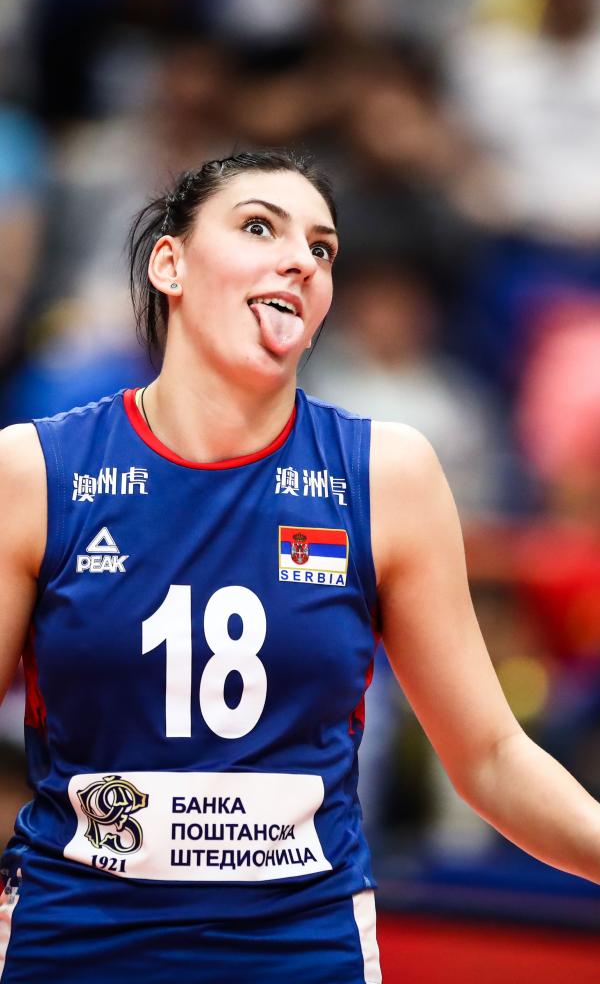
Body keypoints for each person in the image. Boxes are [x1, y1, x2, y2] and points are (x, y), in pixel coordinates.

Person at [0, 149, 599, 984]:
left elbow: (491, 756)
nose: (301, 260)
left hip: (303, 951)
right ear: (170, 265)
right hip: (77, 946)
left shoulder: (385, 475)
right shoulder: (37, 470)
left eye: (322, 248)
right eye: (259, 228)